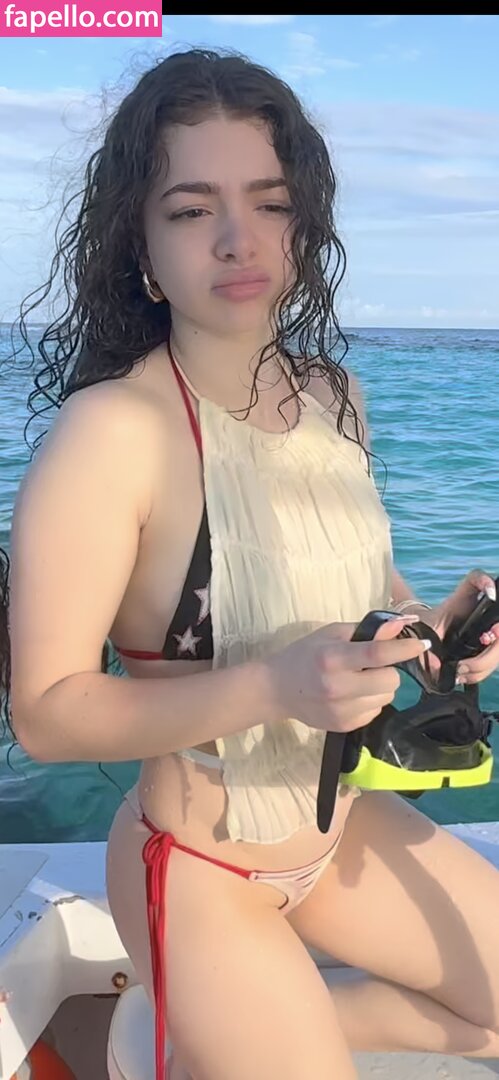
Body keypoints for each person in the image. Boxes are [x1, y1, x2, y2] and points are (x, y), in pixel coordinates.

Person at [2, 47, 499, 1080]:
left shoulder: (332, 396)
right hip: (199, 868)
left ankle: (207, 1032)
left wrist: (429, 630)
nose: (238, 238)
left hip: (340, 831)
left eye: (268, 203)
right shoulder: (114, 432)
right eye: (191, 210)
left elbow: (356, 590)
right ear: (140, 247)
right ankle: (189, 1025)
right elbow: (45, 714)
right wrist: (273, 685)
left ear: (300, 227)